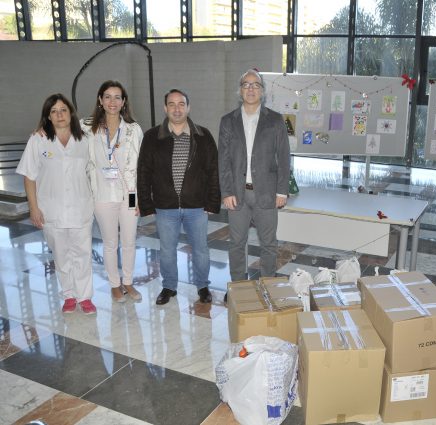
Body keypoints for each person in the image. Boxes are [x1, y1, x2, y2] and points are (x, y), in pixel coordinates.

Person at [137, 89, 220, 305]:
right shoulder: (152, 137)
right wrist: (146, 203)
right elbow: (143, 171)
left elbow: (213, 170)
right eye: (171, 104)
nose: (176, 108)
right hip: (166, 207)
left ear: (188, 107)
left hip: (197, 206)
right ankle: (169, 287)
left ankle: (203, 286)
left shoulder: (203, 135)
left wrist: (212, 201)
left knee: (201, 250)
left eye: (181, 104)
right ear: (165, 108)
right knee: (166, 251)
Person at [16, 94, 95, 314]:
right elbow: (29, 176)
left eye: (63, 110)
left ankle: (85, 297)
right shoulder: (38, 140)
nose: (59, 115)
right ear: (48, 116)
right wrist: (33, 207)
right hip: (52, 208)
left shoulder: (85, 139)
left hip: (81, 206)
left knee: (82, 253)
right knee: (61, 254)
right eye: (54, 111)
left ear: (71, 113)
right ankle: (68, 295)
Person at [218, 69, 290, 289]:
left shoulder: (276, 120)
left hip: (267, 193)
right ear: (240, 90)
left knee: (269, 244)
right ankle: (239, 287)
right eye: (246, 85)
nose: (250, 89)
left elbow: (284, 157)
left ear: (262, 91)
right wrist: (226, 192)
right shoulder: (228, 121)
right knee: (237, 243)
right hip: (237, 194)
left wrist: (281, 191)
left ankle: (267, 286)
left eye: (255, 85)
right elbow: (223, 160)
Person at [83, 81, 143, 303]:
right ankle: (115, 285)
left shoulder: (133, 129)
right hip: (101, 194)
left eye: (117, 97)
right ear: (100, 100)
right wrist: (42, 128)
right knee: (110, 243)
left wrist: (140, 197)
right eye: (107, 97)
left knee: (129, 240)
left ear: (124, 101)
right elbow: (60, 129)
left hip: (129, 193)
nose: (112, 102)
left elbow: (141, 165)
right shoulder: (86, 127)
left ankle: (128, 281)